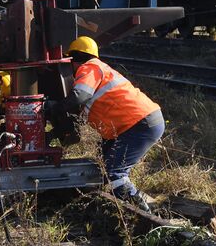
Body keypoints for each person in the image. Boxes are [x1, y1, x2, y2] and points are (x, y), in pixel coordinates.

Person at [52, 36, 164, 211]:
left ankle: (142, 213)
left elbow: (79, 96)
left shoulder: (90, 68)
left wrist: (54, 107)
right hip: (136, 123)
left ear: (74, 59)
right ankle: (108, 204)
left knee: (115, 171)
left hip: (139, 124)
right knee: (104, 162)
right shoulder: (99, 69)